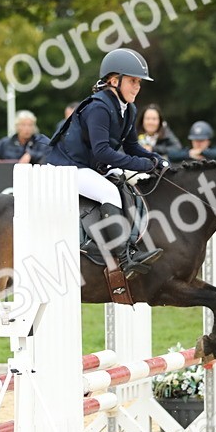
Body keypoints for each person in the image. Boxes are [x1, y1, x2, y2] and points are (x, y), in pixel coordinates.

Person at [47, 47, 169, 278]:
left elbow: (132, 147)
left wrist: (156, 160)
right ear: (114, 80)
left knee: (126, 186)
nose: (137, 87)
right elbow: (103, 152)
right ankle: (124, 258)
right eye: (133, 81)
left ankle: (127, 243)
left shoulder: (129, 109)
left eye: (139, 82)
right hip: (67, 167)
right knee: (110, 193)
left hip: (91, 165)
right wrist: (142, 165)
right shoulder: (98, 107)